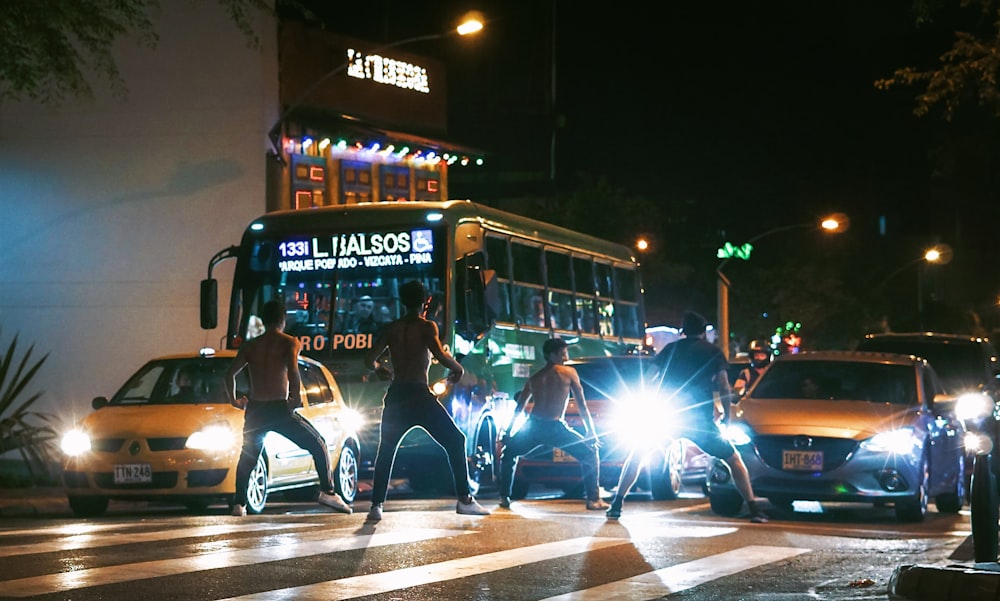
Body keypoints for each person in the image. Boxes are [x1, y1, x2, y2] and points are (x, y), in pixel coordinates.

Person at [606, 311, 767, 523]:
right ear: (703, 332)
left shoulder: (670, 349)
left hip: (667, 415)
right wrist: (727, 417)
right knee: (734, 460)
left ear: (683, 331)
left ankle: (617, 504)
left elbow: (648, 377)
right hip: (699, 420)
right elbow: (723, 386)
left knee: (636, 455)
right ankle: (754, 508)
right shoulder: (712, 352)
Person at [363, 280, 490, 521]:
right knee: (455, 440)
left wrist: (380, 368)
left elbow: (369, 360)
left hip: (396, 394)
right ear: (426, 301)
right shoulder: (427, 326)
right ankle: (464, 499)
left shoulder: (391, 328)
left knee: (386, 449)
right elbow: (440, 355)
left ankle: (376, 506)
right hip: (419, 395)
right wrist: (458, 369)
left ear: (402, 301)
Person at [225, 299, 352, 517]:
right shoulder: (289, 342)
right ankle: (328, 491)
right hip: (278, 408)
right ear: (283, 319)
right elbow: (293, 370)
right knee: (317, 443)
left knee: (248, 457)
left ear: (264, 320)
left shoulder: (250, 346)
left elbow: (229, 375)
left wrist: (234, 400)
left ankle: (239, 504)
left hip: (256, 409)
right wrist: (295, 397)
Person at [497, 338, 610, 511]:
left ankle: (504, 497)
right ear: (552, 355)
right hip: (556, 426)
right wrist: (590, 432)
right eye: (563, 353)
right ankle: (593, 499)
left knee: (509, 453)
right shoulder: (569, 373)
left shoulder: (534, 378)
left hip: (534, 426)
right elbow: (582, 405)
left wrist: (509, 433)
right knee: (590, 453)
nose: (566, 357)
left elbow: (519, 407)